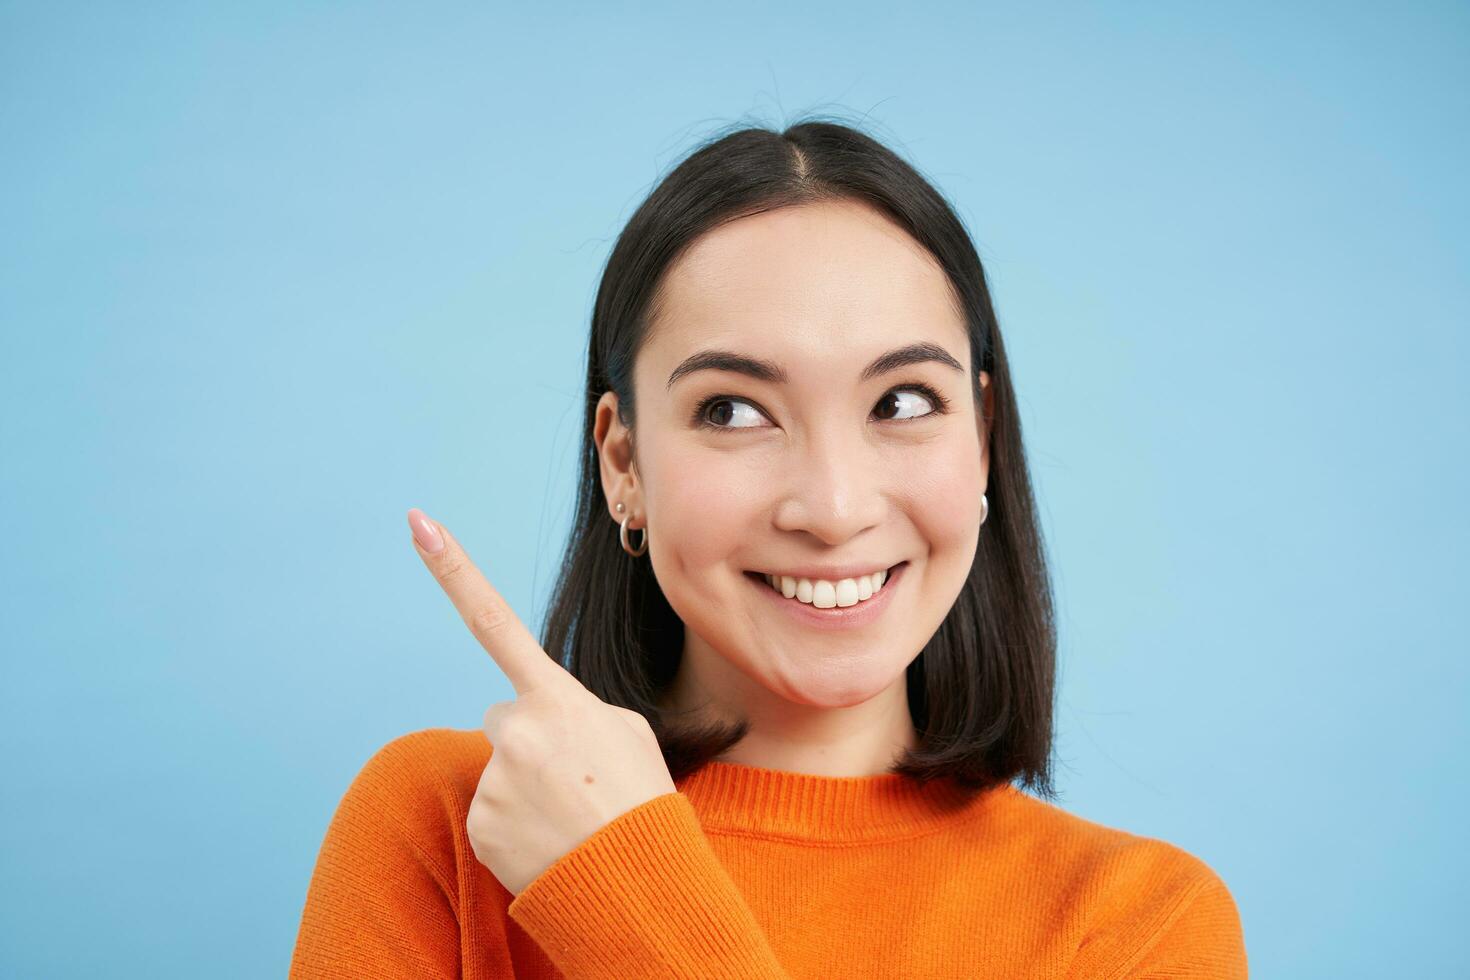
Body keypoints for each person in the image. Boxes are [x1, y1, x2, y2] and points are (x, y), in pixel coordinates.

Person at [289, 119, 1248, 978]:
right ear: (624, 461)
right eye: (734, 411)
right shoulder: (448, 828)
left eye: (903, 402)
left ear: (985, 436)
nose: (832, 508)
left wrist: (633, 904)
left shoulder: (1139, 929)